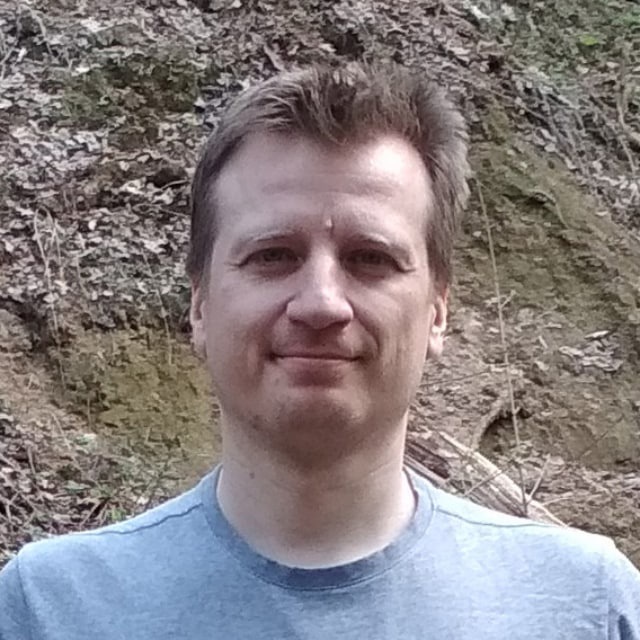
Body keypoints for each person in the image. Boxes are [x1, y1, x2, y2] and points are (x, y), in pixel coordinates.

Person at [1, 62, 639, 640]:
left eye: (371, 258)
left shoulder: (585, 607)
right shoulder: (51, 609)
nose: (321, 303)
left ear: (438, 311)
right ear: (199, 306)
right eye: (273, 255)